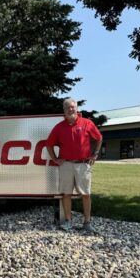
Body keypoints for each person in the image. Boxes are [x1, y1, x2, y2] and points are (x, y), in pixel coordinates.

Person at [46, 98, 103, 233]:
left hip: (83, 164)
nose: (70, 109)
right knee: (66, 194)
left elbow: (99, 138)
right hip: (65, 164)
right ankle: (68, 221)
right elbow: (49, 144)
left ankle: (87, 223)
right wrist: (55, 159)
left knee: (86, 194)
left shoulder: (87, 123)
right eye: (67, 107)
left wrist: (95, 154)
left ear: (76, 109)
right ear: (64, 111)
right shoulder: (59, 127)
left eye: (72, 107)